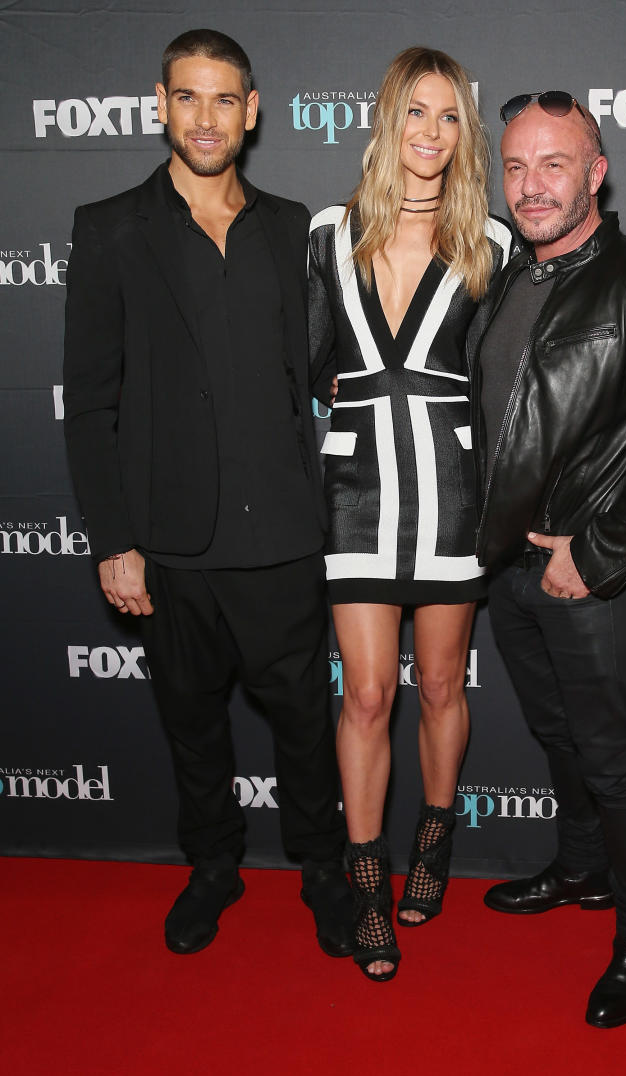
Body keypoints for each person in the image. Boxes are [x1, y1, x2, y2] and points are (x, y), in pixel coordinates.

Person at [63, 29, 352, 959]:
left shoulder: (291, 225)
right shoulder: (109, 227)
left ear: (252, 110)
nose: (206, 117)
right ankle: (214, 865)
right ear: (159, 105)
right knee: (191, 726)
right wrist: (114, 538)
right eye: (188, 97)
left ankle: (319, 867)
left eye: (224, 99)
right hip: (171, 542)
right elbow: (90, 401)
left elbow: (319, 369)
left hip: (282, 538)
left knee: (307, 725)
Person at [473, 91, 626, 1027]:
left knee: (615, 761)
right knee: (556, 738)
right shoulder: (509, 273)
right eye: (516, 166)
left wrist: (601, 550)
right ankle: (578, 868)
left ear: (596, 172)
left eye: (553, 165)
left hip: (591, 578)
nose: (531, 186)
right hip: (509, 568)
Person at [308, 47, 511, 982]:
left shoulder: (492, 243)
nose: (430, 133)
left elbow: (508, 376)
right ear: (386, 121)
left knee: (438, 687)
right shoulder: (325, 233)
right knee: (365, 694)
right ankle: (368, 881)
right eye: (414, 113)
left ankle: (434, 835)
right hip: (354, 492)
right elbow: (306, 363)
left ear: (465, 133)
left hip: (451, 489)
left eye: (449, 117)